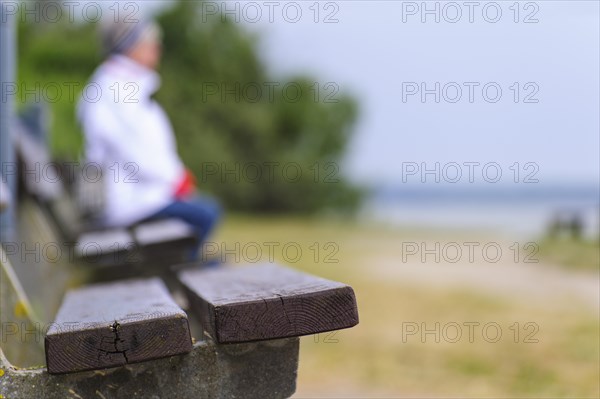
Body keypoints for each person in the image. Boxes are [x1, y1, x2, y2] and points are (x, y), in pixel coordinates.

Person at [77, 16, 220, 255]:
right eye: (150, 41)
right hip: (128, 205)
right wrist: (176, 180)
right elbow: (135, 154)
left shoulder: (121, 85)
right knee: (206, 213)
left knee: (205, 211)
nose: (157, 48)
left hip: (140, 199)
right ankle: (182, 268)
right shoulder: (115, 89)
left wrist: (176, 178)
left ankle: (185, 267)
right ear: (129, 45)